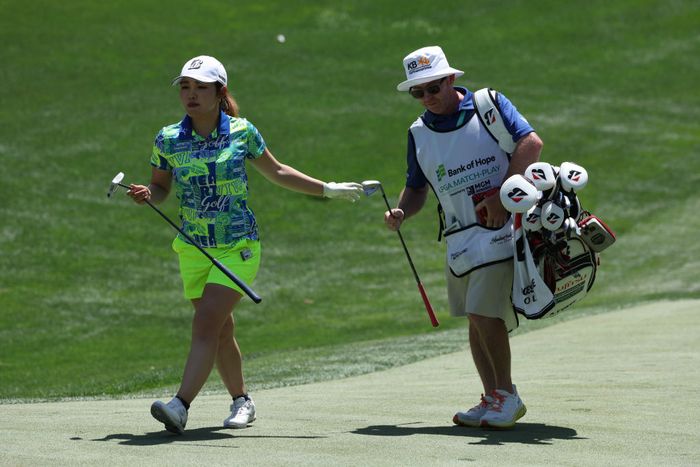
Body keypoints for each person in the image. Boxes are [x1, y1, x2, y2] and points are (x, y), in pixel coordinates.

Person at [127, 55, 363, 434]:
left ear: (219, 92)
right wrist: (147, 195)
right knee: (221, 331)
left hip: (238, 246)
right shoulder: (168, 138)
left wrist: (327, 189)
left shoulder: (242, 132)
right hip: (194, 248)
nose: (191, 94)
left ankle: (180, 405)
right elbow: (160, 187)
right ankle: (242, 400)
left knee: (206, 323)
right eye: (185, 87)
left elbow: (278, 171)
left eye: (200, 87)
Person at [385, 46, 543, 429]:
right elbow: (416, 187)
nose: (427, 97)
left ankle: (508, 394)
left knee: (483, 312)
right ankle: (492, 398)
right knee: (474, 319)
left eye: (433, 88)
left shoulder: (488, 105)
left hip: (500, 228)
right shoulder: (418, 133)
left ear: (450, 79)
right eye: (418, 92)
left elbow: (531, 144)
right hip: (459, 238)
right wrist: (402, 211)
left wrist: (503, 195)